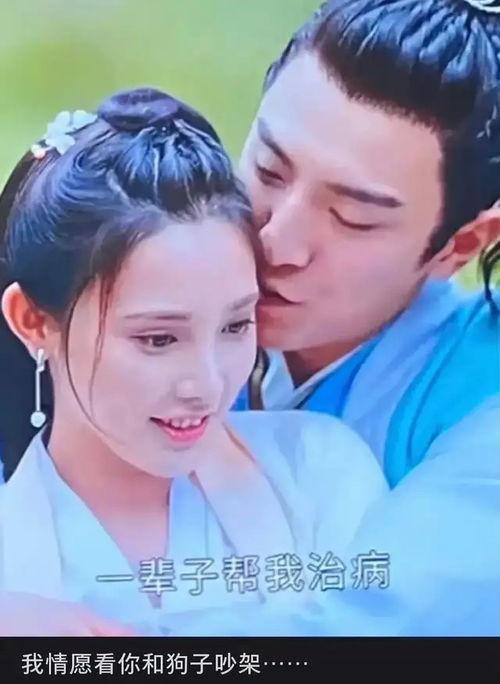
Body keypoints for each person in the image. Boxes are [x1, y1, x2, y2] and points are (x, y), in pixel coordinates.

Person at [0, 87, 386, 636]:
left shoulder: (317, 473)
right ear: (33, 321)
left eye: (235, 326)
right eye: (159, 339)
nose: (207, 384)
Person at [229, 0, 500, 635]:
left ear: (460, 244)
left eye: (352, 218)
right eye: (269, 170)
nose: (276, 243)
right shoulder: (132, 275)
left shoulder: (481, 403)